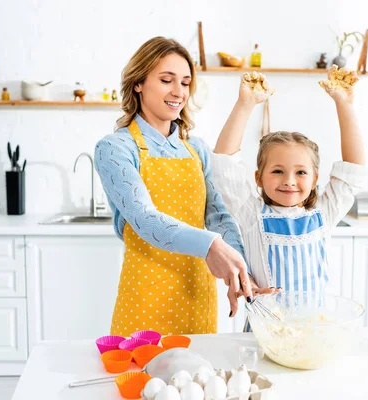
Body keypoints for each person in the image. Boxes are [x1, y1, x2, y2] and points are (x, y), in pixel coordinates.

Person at [95, 37, 253, 336]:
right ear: (138, 83)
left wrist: (241, 267)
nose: (178, 92)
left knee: (197, 380)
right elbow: (144, 218)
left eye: (185, 82)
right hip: (145, 295)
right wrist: (212, 245)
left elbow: (218, 215)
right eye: (166, 80)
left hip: (198, 293)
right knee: (143, 381)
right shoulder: (115, 148)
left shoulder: (196, 149)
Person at [212, 72, 366, 309]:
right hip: (265, 330)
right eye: (277, 171)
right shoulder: (250, 213)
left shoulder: (324, 213)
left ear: (315, 179)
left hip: (314, 328)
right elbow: (224, 163)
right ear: (259, 178)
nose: (289, 181)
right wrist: (245, 104)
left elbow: (353, 168)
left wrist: (344, 104)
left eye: (301, 173)